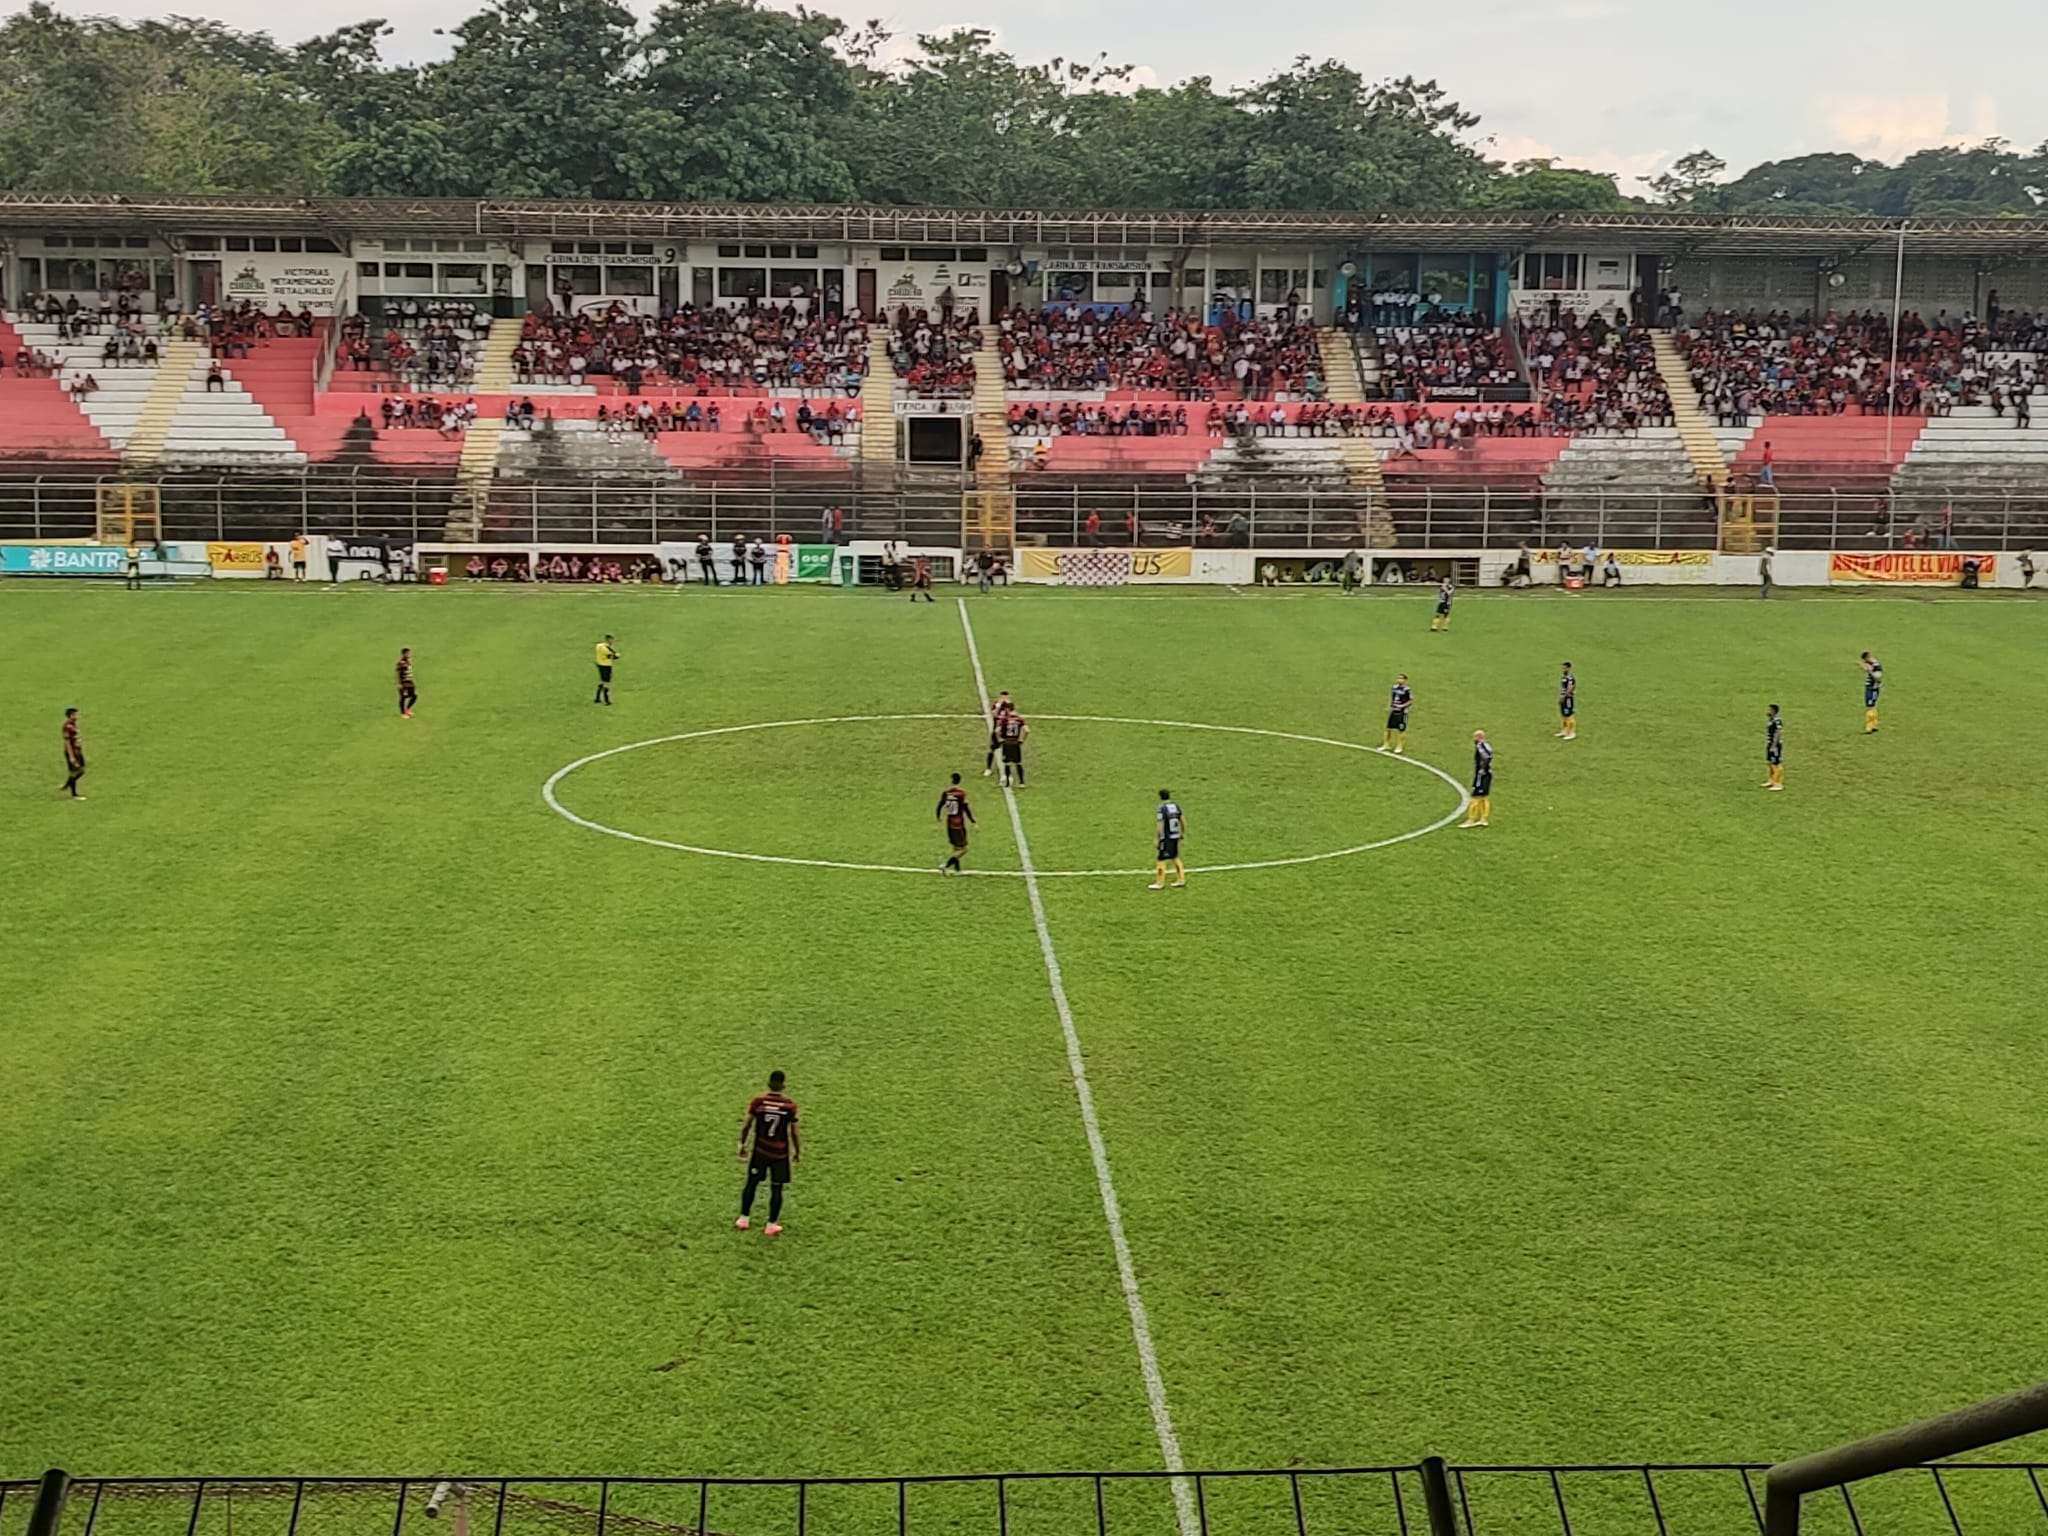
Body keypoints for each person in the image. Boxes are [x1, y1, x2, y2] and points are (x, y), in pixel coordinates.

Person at [734, 1069, 799, 1238]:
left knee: (751, 1184)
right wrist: (797, 1151)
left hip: (760, 1151)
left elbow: (747, 1125)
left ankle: (743, 1218)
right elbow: (794, 1132)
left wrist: (742, 1144)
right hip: (780, 1154)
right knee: (776, 1188)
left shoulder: (759, 1102)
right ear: (783, 1085)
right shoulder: (789, 1106)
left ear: (769, 1083)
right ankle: (771, 1225)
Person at [936, 772, 975, 874]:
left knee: (956, 847)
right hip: (958, 824)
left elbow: (940, 804)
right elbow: (966, 808)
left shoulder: (946, 792)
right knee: (963, 849)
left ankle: (957, 869)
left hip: (949, 823)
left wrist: (938, 816)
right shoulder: (961, 793)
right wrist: (972, 820)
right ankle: (946, 865)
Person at [1148, 788, 1187, 890]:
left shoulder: (1162, 808)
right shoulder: (1176, 806)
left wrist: (1158, 838)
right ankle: (1181, 879)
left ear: (1160, 797)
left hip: (1166, 838)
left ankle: (1159, 883)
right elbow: (1183, 820)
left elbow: (1160, 824)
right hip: (1175, 835)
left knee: (1161, 859)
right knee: (1175, 857)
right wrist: (1182, 833)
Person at [1459, 730, 1492, 828]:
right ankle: (1483, 819)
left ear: (1479, 737)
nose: (1474, 740)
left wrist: (1482, 769)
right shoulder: (1487, 745)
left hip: (1481, 775)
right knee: (1484, 797)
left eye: (1475, 737)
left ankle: (1471, 819)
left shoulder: (1480, 746)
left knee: (1475, 797)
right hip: (1488, 774)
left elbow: (1486, 758)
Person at [1380, 673, 1413, 754]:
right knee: (1388, 728)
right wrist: (1390, 706)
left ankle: (1399, 746)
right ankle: (1386, 744)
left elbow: (1411, 700)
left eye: (1401, 678)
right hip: (1393, 710)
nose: (1399, 680)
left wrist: (1402, 706)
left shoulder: (1407, 690)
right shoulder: (1394, 688)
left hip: (1402, 712)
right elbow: (1393, 697)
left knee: (1400, 730)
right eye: (1398, 678)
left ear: (1405, 680)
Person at [996, 708, 1028, 788]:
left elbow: (997, 731)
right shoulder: (1020, 720)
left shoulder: (1005, 720)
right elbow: (1027, 730)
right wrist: (1022, 740)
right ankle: (1022, 782)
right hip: (1015, 743)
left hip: (1007, 743)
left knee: (1007, 763)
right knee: (1018, 763)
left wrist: (1000, 739)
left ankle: (1007, 782)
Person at [984, 691, 1013, 777]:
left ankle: (1007, 771)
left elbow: (1012, 716)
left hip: (1006, 732)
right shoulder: (997, 704)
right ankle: (988, 769)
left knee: (1007, 752)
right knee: (992, 749)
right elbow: (993, 714)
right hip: (996, 731)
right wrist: (998, 706)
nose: (1004, 699)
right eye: (1002, 697)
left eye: (1006, 697)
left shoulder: (1009, 705)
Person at [61, 707, 86, 799]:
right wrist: (71, 756)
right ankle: (74, 794)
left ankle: (67, 784)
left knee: (81, 769)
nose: (77, 716)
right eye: (75, 714)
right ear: (71, 715)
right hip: (72, 752)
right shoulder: (67, 726)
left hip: (78, 751)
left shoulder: (73, 724)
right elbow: (67, 742)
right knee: (76, 771)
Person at [1860, 650, 1882, 735]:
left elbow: (1878, 677)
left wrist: (1869, 671)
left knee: (1870, 707)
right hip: (1871, 688)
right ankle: (1874, 725)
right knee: (1873, 706)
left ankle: (1869, 727)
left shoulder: (1876, 665)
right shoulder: (1872, 664)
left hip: (1872, 688)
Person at [594, 633, 619, 706]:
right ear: (608, 640)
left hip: (600, 665)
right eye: (612, 640)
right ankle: (606, 700)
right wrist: (616, 655)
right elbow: (613, 656)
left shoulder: (599, 645)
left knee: (602, 681)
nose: (613, 642)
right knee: (606, 683)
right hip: (606, 666)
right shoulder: (605, 648)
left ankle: (597, 698)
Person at [1764, 704, 1785, 791]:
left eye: (1769, 710)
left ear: (1773, 711)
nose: (1767, 711)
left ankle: (1778, 783)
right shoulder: (1771, 720)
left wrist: (1774, 745)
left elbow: (1778, 732)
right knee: (1770, 763)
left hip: (1775, 745)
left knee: (1776, 764)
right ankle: (1771, 780)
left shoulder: (1777, 721)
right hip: (1770, 744)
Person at [1556, 661, 1578, 741]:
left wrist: (1564, 697)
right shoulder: (1564, 677)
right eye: (1562, 668)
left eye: (1564, 668)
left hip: (1568, 699)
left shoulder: (1570, 678)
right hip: (1563, 698)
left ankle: (1572, 733)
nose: (1563, 669)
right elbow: (1563, 688)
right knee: (1563, 715)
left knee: (1569, 715)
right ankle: (1565, 730)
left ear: (1569, 668)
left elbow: (1570, 689)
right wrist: (1560, 697)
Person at [396, 647, 417, 719]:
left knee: (414, 696)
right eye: (408, 653)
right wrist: (399, 683)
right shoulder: (401, 662)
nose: (410, 654)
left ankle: (407, 709)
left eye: (410, 653)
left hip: (410, 682)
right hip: (404, 683)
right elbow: (398, 673)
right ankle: (403, 714)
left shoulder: (408, 661)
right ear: (404, 654)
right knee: (403, 697)